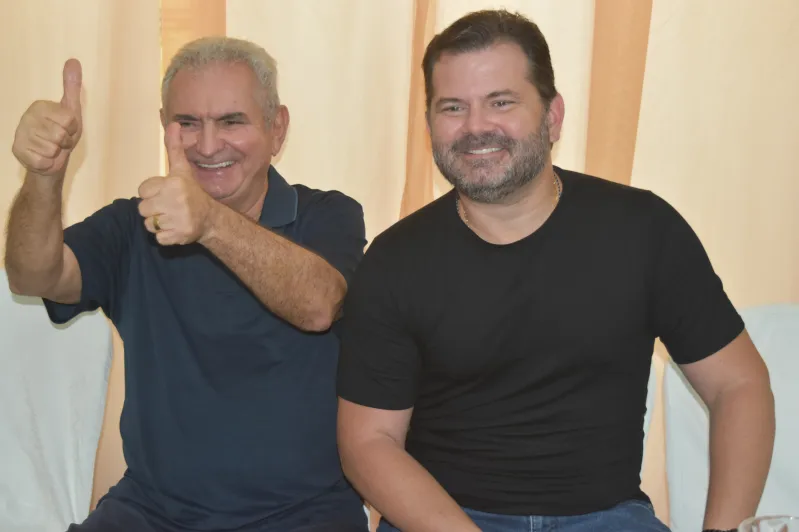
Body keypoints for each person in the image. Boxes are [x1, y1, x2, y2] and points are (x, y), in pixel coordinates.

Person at [336, 9, 775, 532]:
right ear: (429, 122)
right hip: (447, 520)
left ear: (553, 116)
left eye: (501, 102)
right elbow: (368, 441)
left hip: (608, 518)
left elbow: (738, 385)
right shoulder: (395, 261)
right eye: (452, 107)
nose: (475, 127)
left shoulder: (643, 230)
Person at [6, 37, 368, 531]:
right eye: (188, 123)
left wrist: (209, 222)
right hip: (152, 510)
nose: (208, 145)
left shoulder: (328, 214)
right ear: (164, 127)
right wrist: (43, 177)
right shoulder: (131, 226)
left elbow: (318, 304)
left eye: (232, 121)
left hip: (301, 514)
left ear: (277, 128)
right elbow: (32, 274)